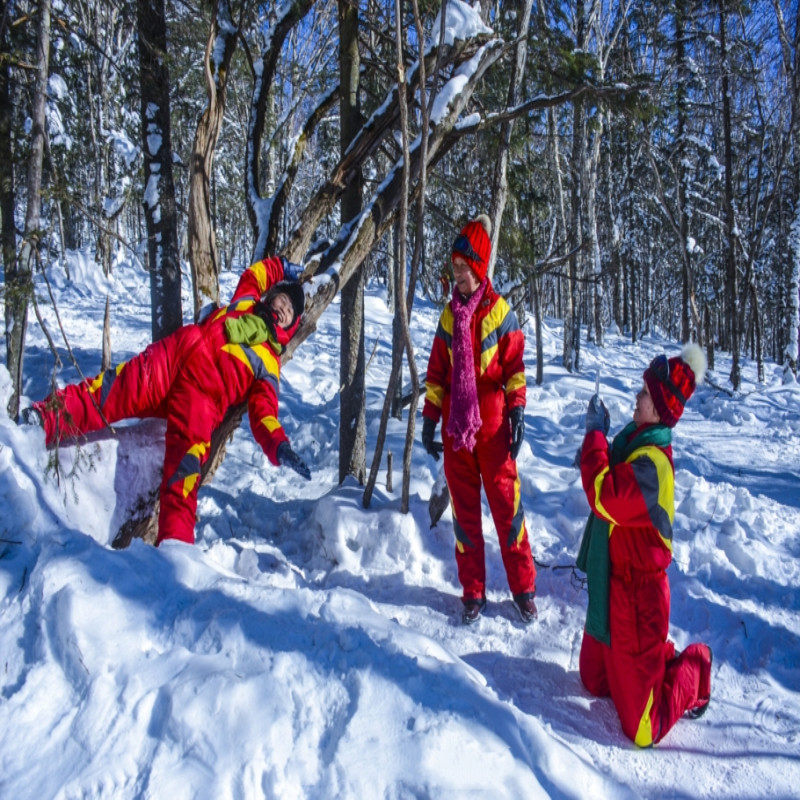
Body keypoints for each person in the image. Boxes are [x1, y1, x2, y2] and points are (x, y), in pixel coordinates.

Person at [24, 256, 312, 546]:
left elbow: (264, 412)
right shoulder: (245, 302)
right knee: (108, 392)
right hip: (171, 358)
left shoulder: (270, 361)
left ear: (293, 323)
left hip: (201, 402)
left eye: (290, 311)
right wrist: (283, 266)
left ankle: (175, 555)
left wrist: (279, 446)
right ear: (272, 297)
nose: (284, 309)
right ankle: (43, 420)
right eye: (283, 300)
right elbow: (256, 273)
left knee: (183, 477)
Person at [576, 344, 712, 747]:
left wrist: (594, 436)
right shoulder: (633, 442)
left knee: (642, 728)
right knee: (593, 682)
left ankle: (696, 669)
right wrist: (602, 438)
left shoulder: (653, 464)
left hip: (640, 600)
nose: (637, 398)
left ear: (659, 411)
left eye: (644, 395)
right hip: (610, 584)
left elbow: (603, 495)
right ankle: (653, 662)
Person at [421, 214, 537, 625]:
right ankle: (473, 592)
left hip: (494, 434)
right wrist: (429, 418)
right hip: (457, 435)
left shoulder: (501, 313)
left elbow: (515, 370)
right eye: (454, 269)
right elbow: (437, 373)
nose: (458, 277)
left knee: (509, 511)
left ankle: (523, 590)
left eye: (464, 270)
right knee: (465, 518)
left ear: (480, 270)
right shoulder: (449, 317)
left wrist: (518, 410)